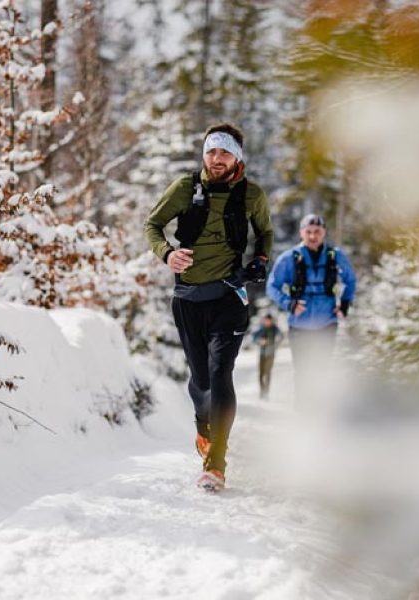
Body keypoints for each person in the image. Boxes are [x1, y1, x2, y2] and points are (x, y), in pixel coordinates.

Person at [145, 122, 273, 492]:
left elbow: (265, 232)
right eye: (211, 151)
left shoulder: (252, 195)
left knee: (220, 375)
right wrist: (167, 254)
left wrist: (261, 259)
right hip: (187, 299)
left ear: (237, 157)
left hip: (229, 296)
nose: (217, 159)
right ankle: (204, 427)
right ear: (204, 154)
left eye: (225, 152)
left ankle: (216, 461)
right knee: (200, 381)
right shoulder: (186, 189)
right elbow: (153, 225)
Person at [266, 213, 356, 406]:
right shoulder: (289, 258)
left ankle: (321, 411)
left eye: (317, 232)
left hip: (327, 322)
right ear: (301, 233)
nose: (313, 236)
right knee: (303, 369)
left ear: (324, 233)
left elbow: (350, 280)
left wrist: (345, 303)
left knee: (322, 368)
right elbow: (271, 286)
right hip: (299, 325)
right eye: (309, 232)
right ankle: (303, 410)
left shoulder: (335, 255)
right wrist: (289, 303)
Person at [252, 313, 283, 399]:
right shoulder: (261, 328)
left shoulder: (274, 328)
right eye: (266, 320)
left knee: (268, 373)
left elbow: (281, 336)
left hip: (271, 354)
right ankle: (262, 391)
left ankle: (266, 393)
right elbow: (254, 338)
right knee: (261, 374)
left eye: (269, 320)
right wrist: (260, 342)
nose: (267, 322)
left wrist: (275, 345)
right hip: (262, 354)